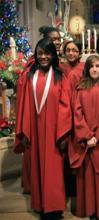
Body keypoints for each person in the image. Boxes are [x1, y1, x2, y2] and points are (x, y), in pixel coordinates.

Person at [14, 38, 72, 219]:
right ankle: (40, 205)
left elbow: (66, 105)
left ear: (53, 55)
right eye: (40, 53)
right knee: (37, 167)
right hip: (34, 130)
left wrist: (62, 133)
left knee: (54, 169)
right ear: (36, 55)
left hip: (54, 132)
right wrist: (23, 130)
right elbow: (22, 104)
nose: (44, 57)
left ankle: (53, 207)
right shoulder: (28, 77)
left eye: (47, 53)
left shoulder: (60, 77)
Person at [70, 55, 99, 220]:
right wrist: (88, 136)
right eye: (92, 66)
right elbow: (77, 114)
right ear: (87, 69)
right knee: (88, 181)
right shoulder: (80, 89)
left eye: (98, 66)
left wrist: (98, 136)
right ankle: (91, 211)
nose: (95, 69)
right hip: (87, 143)